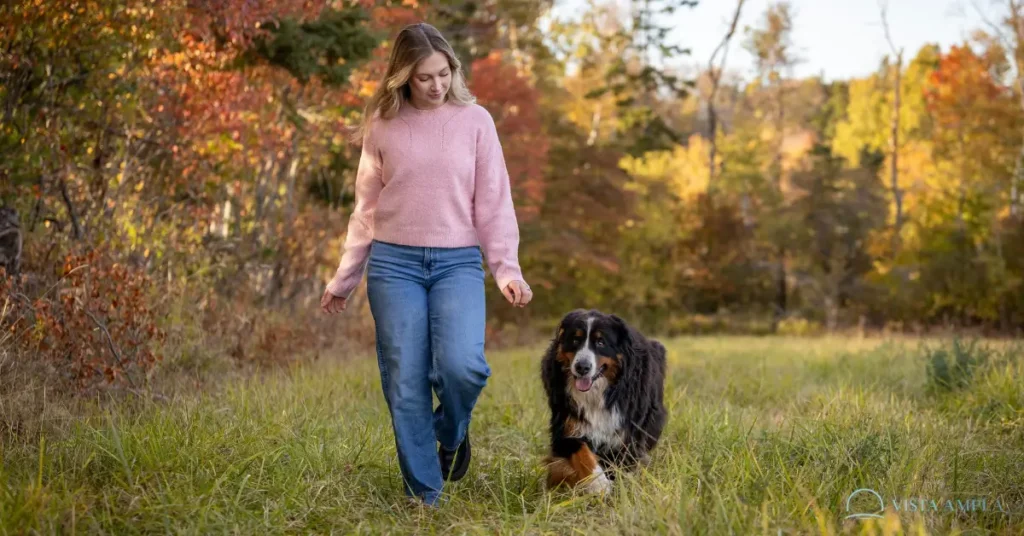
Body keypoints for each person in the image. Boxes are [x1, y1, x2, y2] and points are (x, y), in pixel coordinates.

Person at [319, 22, 533, 507]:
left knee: (464, 367)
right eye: (424, 78)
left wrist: (507, 269)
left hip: (458, 262)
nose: (437, 85)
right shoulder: (382, 125)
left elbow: (494, 202)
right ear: (403, 79)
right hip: (394, 265)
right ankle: (425, 497)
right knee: (406, 380)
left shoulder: (476, 120)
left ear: (453, 69)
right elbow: (366, 209)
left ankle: (450, 433)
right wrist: (344, 277)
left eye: (444, 73)